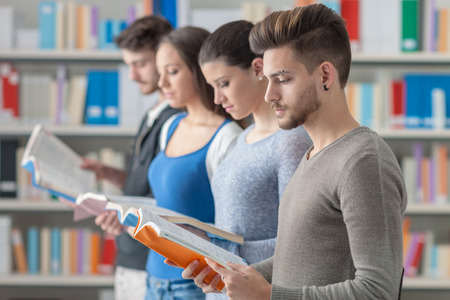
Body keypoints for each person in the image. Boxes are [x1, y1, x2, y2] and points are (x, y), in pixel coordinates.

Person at [182, 4, 407, 299]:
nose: (269, 94)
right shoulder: (313, 154)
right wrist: (233, 275)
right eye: (269, 78)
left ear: (325, 76)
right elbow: (298, 259)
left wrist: (268, 295)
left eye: (283, 79)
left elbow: (378, 291)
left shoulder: (363, 161)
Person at [185, 20, 310, 300]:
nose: (218, 98)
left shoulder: (290, 142)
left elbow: (301, 244)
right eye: (212, 87)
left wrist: (222, 255)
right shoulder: (243, 138)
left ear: (257, 70)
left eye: (224, 83)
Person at [80, 15, 178, 300]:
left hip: (150, 261)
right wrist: (110, 174)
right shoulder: (151, 114)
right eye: (129, 66)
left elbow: (169, 200)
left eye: (140, 64)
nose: (133, 76)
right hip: (129, 256)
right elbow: (144, 185)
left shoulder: (176, 121)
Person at [145, 26, 243, 300]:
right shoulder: (170, 126)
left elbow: (231, 225)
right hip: (154, 276)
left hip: (194, 284)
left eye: (172, 72)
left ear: (199, 71)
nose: (162, 83)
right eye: (160, 72)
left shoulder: (227, 138)